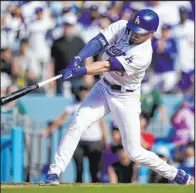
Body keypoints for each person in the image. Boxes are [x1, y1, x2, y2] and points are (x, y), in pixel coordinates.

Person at [44, 9, 193, 185]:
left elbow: (106, 65)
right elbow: (97, 42)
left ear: (151, 33)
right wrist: (77, 58)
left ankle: (175, 174)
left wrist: (79, 71)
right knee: (78, 123)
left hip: (125, 98)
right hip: (102, 88)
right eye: (133, 28)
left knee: (134, 152)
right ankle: (54, 173)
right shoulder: (123, 26)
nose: (134, 33)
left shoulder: (143, 54)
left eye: (140, 32)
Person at [41, 83, 108, 183]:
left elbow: (102, 123)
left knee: (94, 170)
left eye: (86, 90)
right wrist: (49, 130)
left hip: (95, 140)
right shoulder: (73, 104)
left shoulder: (96, 103)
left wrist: (105, 139)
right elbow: (61, 119)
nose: (84, 92)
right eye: (82, 90)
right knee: (78, 168)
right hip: (78, 141)